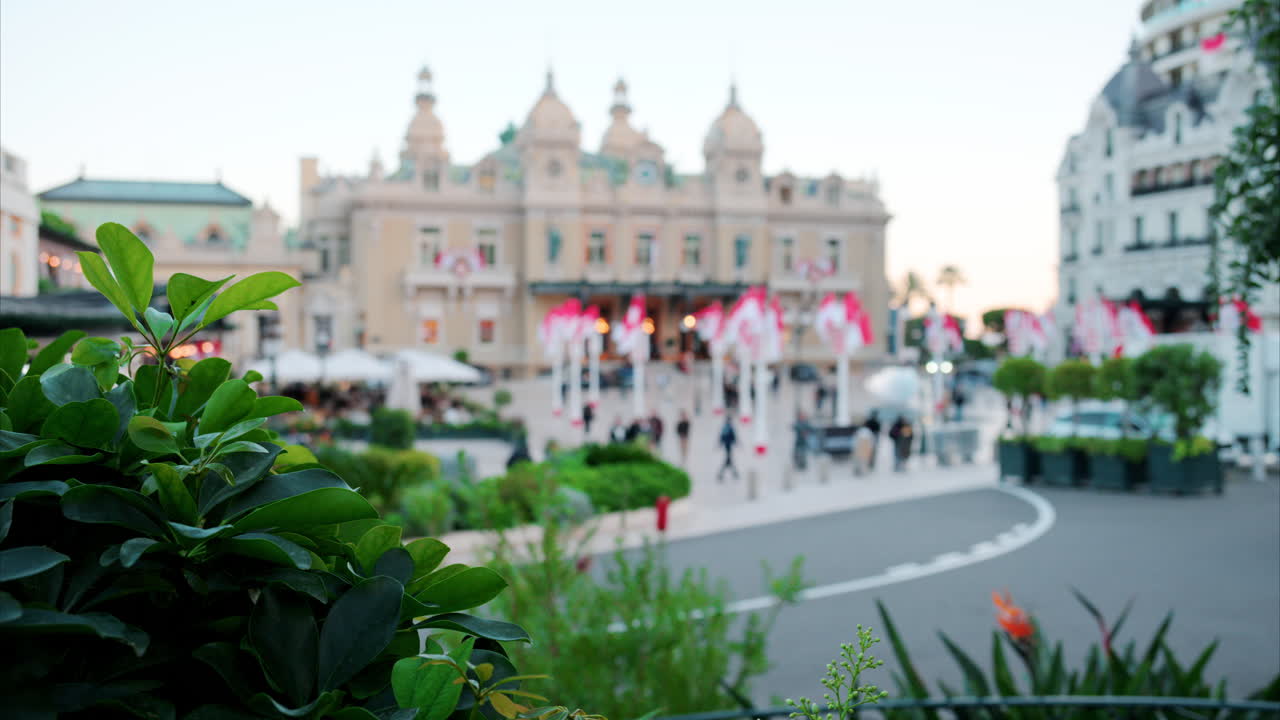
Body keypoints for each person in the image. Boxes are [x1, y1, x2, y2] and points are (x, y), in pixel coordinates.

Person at [717, 416, 739, 481]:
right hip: (728, 445)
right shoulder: (728, 427)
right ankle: (733, 473)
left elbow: (722, 437)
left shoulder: (726, 427)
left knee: (728, 461)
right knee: (728, 461)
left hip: (727, 445)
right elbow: (733, 436)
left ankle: (733, 473)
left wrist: (720, 444)